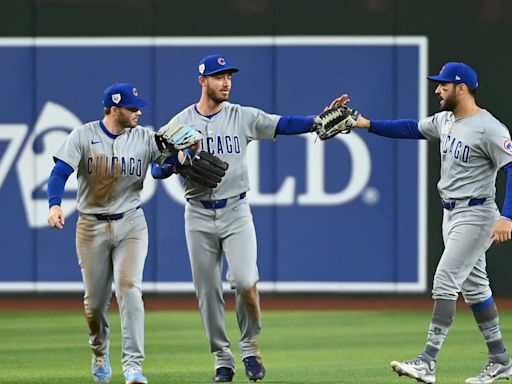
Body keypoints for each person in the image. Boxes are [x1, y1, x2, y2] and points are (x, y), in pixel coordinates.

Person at [329, 62, 512, 384]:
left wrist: (507, 216)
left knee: (445, 279)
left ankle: (428, 360)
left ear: (461, 87)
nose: (437, 90)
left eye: (443, 85)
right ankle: (500, 360)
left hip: (477, 213)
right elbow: (410, 128)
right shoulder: (445, 120)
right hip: (451, 213)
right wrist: (364, 123)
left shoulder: (490, 128)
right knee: (475, 288)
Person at [151, 54, 330, 383]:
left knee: (246, 283)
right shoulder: (179, 123)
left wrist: (317, 120)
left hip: (236, 211)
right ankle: (222, 358)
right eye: (219, 77)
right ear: (202, 81)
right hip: (198, 215)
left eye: (229, 76)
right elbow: (155, 168)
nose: (226, 82)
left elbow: (284, 123)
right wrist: (176, 163)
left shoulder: (241, 116)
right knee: (207, 292)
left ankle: (249, 346)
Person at [47, 83, 192, 384]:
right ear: (114, 110)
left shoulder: (144, 137)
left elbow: (158, 170)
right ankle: (99, 351)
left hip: (131, 223)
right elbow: (60, 171)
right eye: (132, 107)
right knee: (95, 304)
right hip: (91, 226)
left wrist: (178, 161)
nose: (138, 111)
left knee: (129, 289)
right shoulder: (83, 136)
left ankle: (133, 366)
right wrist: (55, 205)